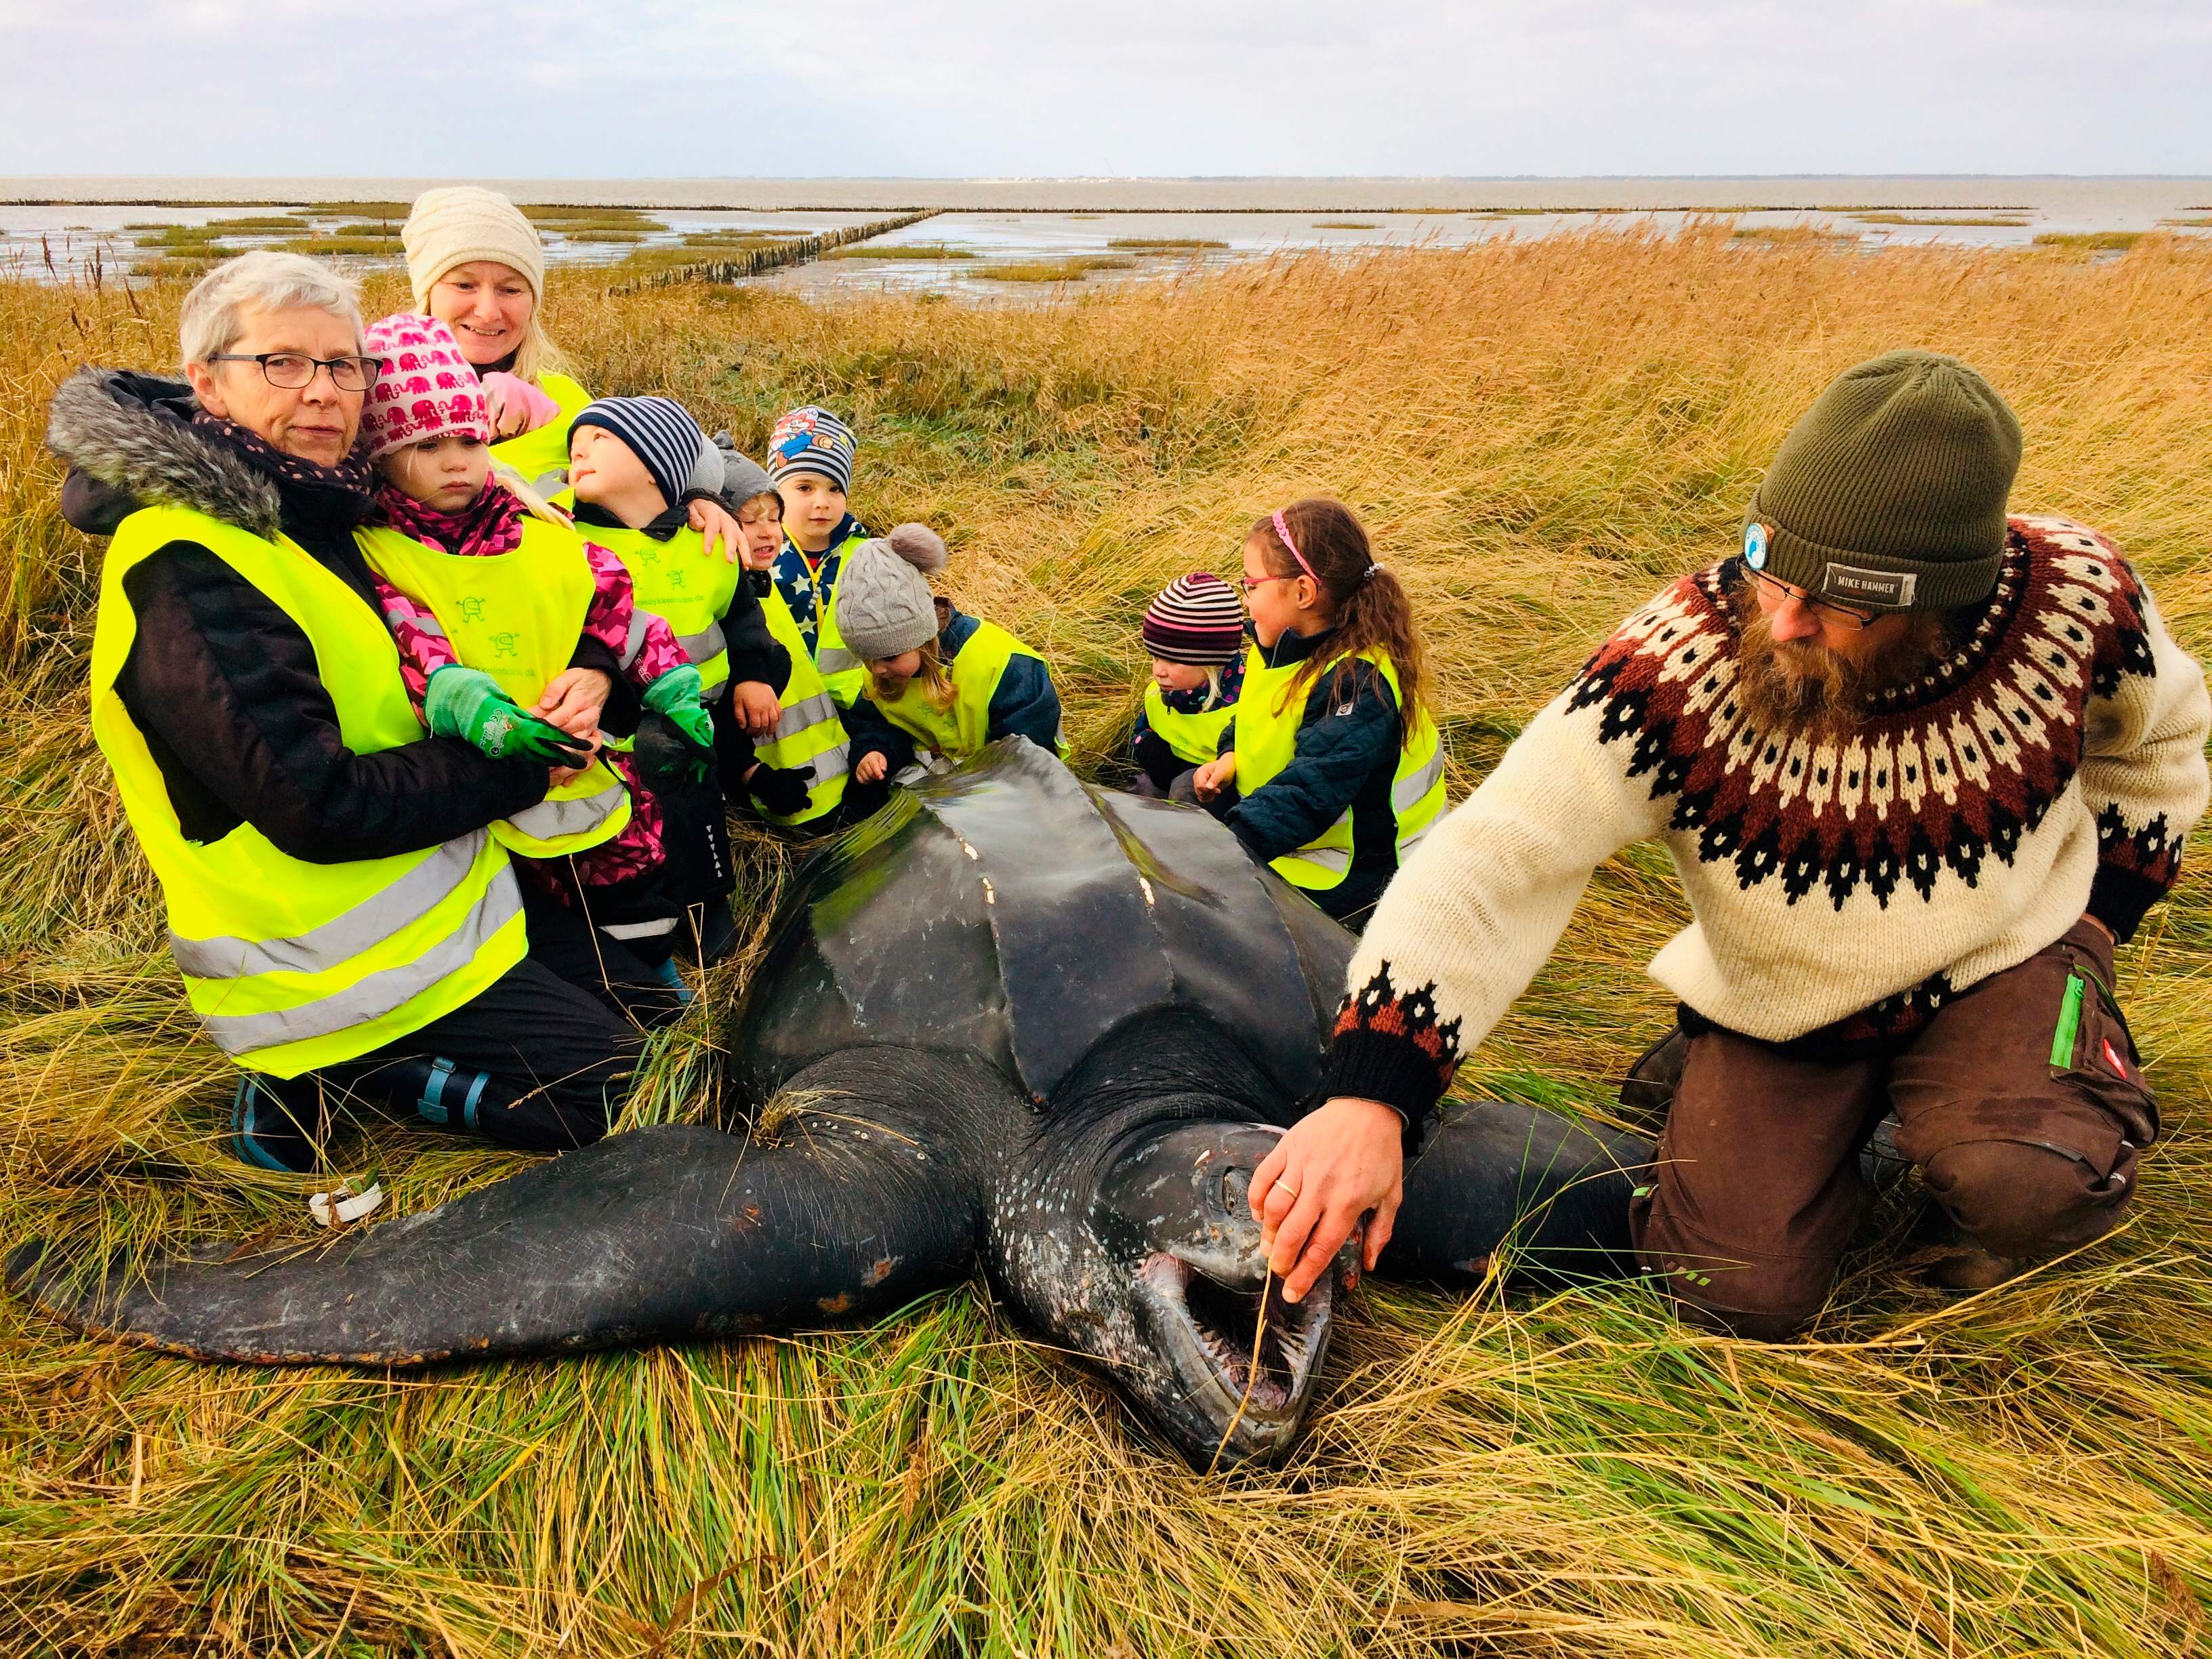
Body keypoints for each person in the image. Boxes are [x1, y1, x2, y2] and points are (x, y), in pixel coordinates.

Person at [1255, 350, 2211, 1337]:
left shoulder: (2075, 594)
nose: (1785, 620)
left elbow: (2165, 740)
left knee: (2037, 1181)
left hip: (2008, 958)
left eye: (1839, 604)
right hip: (1789, 1000)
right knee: (1735, 1291)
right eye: (1770, 570)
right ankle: (1717, 1065)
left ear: (1944, 597)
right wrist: (1371, 1094)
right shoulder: (1681, 662)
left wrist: (2100, 923)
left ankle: (2026, 1098)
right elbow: (1497, 852)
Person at [47, 251, 647, 1174]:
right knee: (619, 1089)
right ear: (206, 382)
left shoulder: (323, 504)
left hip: (452, 899)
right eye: (282, 363)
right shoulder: (188, 562)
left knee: (661, 1012)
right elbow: (318, 807)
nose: (323, 392)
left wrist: (608, 632)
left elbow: (519, 560)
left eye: (342, 365)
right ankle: (362, 1075)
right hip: (327, 971)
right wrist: (529, 765)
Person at [354, 313, 718, 1025]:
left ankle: (656, 982)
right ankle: (595, 1001)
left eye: (470, 440)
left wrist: (671, 684)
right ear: (382, 454)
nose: (458, 461)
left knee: (632, 883)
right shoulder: (382, 552)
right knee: (534, 915)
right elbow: (415, 641)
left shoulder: (541, 528)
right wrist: (468, 705)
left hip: (593, 774)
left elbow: (614, 605)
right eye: (428, 445)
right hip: (487, 792)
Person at [567, 396, 799, 959]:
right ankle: (642, 921)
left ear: (655, 465)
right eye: (574, 444)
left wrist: (752, 677)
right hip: (616, 722)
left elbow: (743, 618)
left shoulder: (709, 543)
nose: (579, 449)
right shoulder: (568, 541)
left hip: (703, 714)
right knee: (626, 824)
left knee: (695, 811)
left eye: (600, 439)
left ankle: (705, 908)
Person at [401, 184, 745, 561]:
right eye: (464, 284)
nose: (487, 311)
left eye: (510, 289)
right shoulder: (385, 397)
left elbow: (688, 454)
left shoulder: (563, 395)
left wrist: (696, 499)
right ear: (428, 293)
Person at [1191, 499, 1447, 928]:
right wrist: (1230, 756)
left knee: (1224, 919)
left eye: (1251, 586)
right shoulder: (1276, 649)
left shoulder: (1359, 683)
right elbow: (1254, 719)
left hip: (1358, 866)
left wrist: (1221, 852)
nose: (1244, 599)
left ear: (1303, 593)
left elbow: (1311, 790)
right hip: (1295, 834)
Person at [836, 525, 1064, 787]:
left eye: (889, 657)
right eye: (867, 658)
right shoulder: (881, 669)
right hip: (937, 787)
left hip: (1007, 787)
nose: (876, 670)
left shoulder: (1006, 665)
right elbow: (875, 725)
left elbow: (1029, 755)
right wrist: (874, 751)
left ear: (920, 639)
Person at [717, 445, 853, 830]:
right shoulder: (722, 605)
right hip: (773, 795)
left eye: (774, 519)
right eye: (749, 521)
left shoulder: (765, 583)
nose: (767, 532)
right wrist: (751, 775)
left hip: (830, 780)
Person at [766, 405, 872, 707]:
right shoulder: (758, 553)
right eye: (804, 488)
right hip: (782, 703)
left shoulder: (864, 554)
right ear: (775, 492)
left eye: (835, 489)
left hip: (857, 704)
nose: (822, 502)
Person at [1129, 571, 1246, 803]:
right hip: (1166, 775)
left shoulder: (1244, 699)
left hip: (1218, 787)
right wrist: (1146, 747)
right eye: (1155, 658)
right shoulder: (1159, 692)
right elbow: (1144, 729)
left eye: (1172, 661)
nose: (1159, 671)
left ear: (1210, 662)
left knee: (1184, 789)